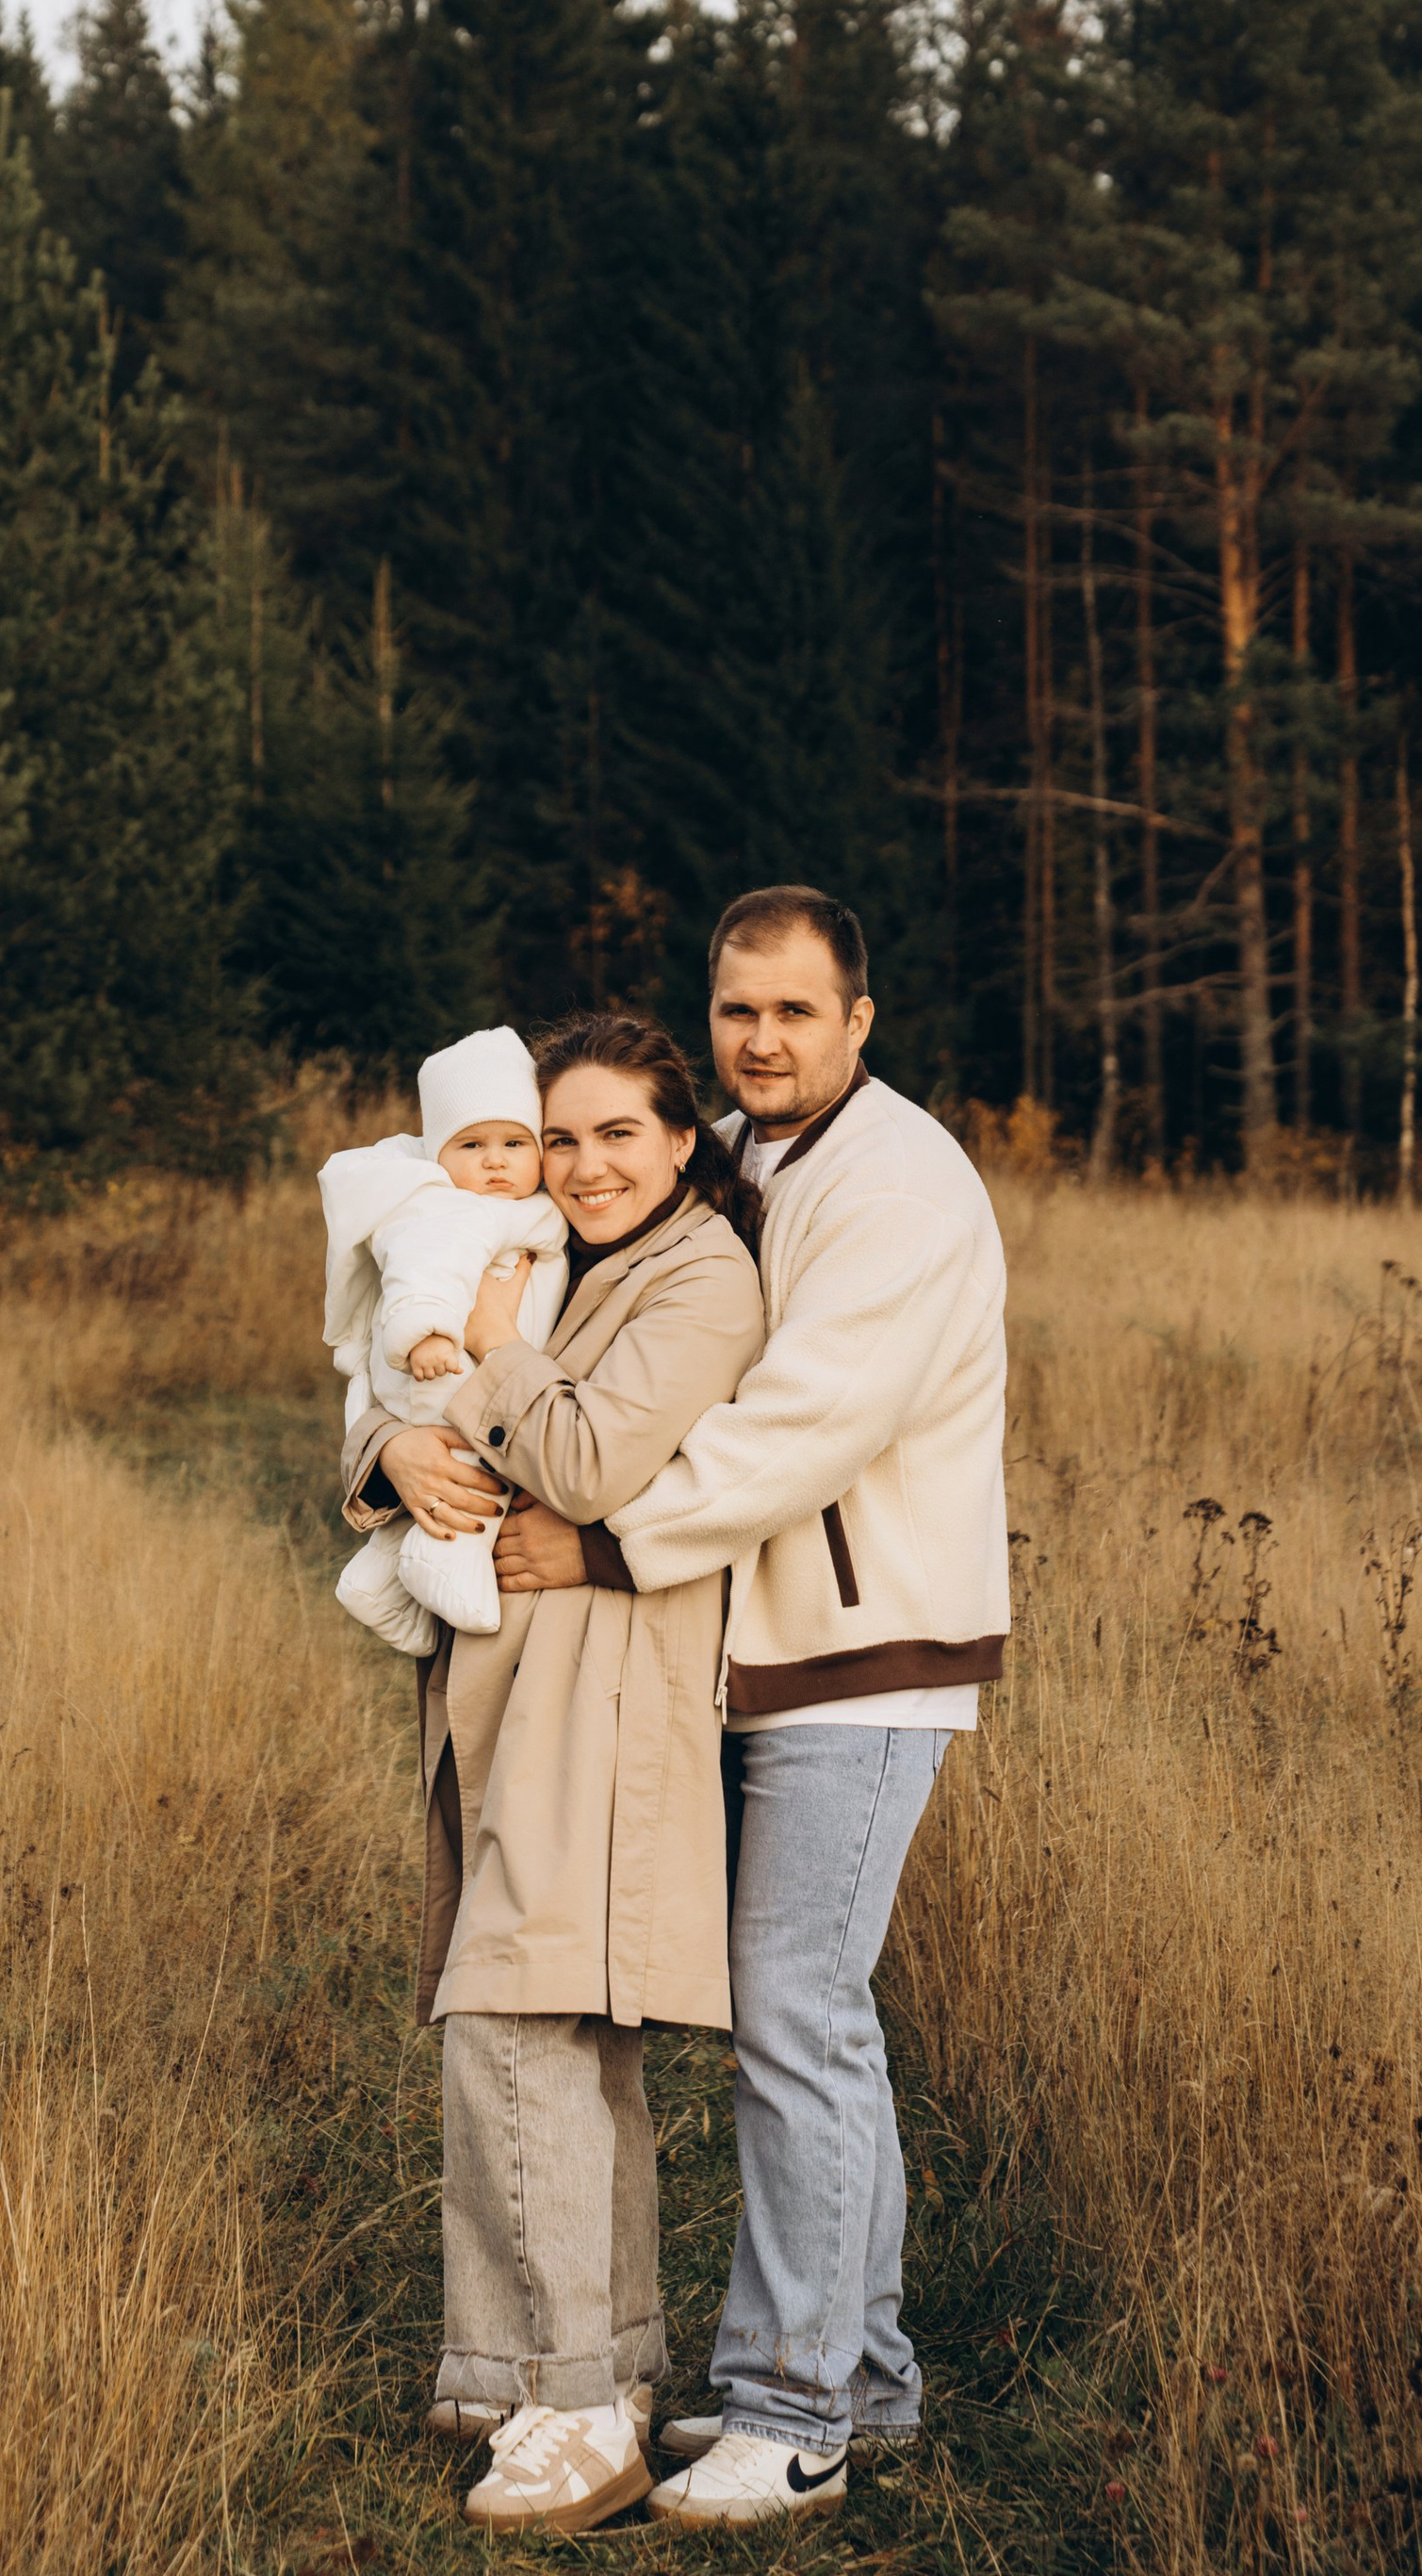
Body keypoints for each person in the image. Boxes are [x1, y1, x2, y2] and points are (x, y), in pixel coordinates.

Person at [585, 883, 1008, 2528]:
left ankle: (796, 2407)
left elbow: (806, 1426)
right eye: (737, 1012)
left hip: (869, 1654)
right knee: (815, 2017)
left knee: (792, 2015)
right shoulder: (756, 1158)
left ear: (860, 1018)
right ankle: (866, 2378)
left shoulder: (896, 1181)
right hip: (777, 1650)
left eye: (795, 1013)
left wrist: (605, 1536)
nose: (761, 1041)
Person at [345, 1012, 765, 2535]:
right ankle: (590, 2364)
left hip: (608, 1705)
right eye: (562, 1135)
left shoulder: (701, 1276)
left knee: (519, 2028)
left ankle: (574, 2409)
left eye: (619, 1135)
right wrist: (392, 1453)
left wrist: (498, 1357)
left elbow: (584, 1461)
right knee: (564, 2047)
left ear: (680, 1141)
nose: (585, 1164)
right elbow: (406, 1376)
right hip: (519, 1697)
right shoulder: (565, 1251)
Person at [321, 1025, 570, 1652]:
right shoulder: (448, 1211)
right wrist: (426, 1333)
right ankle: (451, 1562)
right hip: (443, 1371)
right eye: (473, 1144)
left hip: (459, 1374)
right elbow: (423, 1269)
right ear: (437, 1155)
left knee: (435, 1487)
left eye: (515, 1142)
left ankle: (375, 1579)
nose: (494, 1160)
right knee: (476, 1472)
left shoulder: (504, 1207)